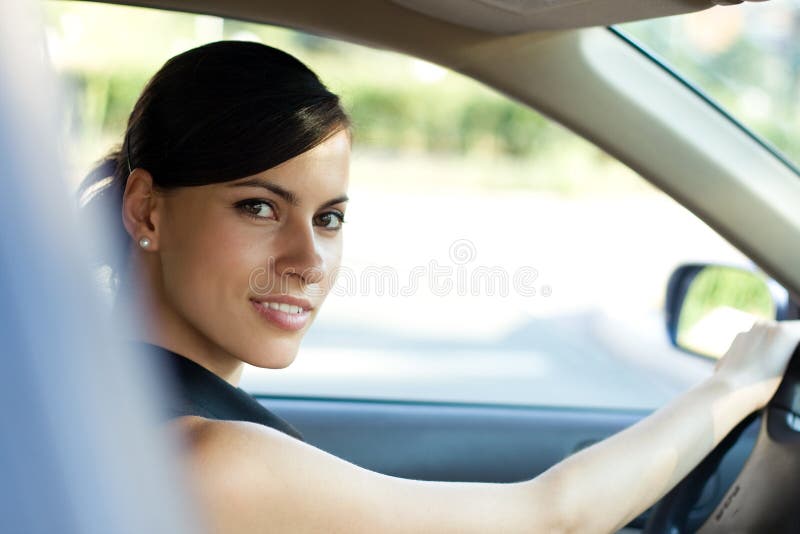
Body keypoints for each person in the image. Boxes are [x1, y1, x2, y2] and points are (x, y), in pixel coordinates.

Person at [78, 40, 800, 533]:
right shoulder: (205, 459)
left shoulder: (100, 401)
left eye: (329, 218)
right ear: (146, 208)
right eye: (259, 207)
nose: (308, 259)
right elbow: (552, 516)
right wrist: (733, 384)